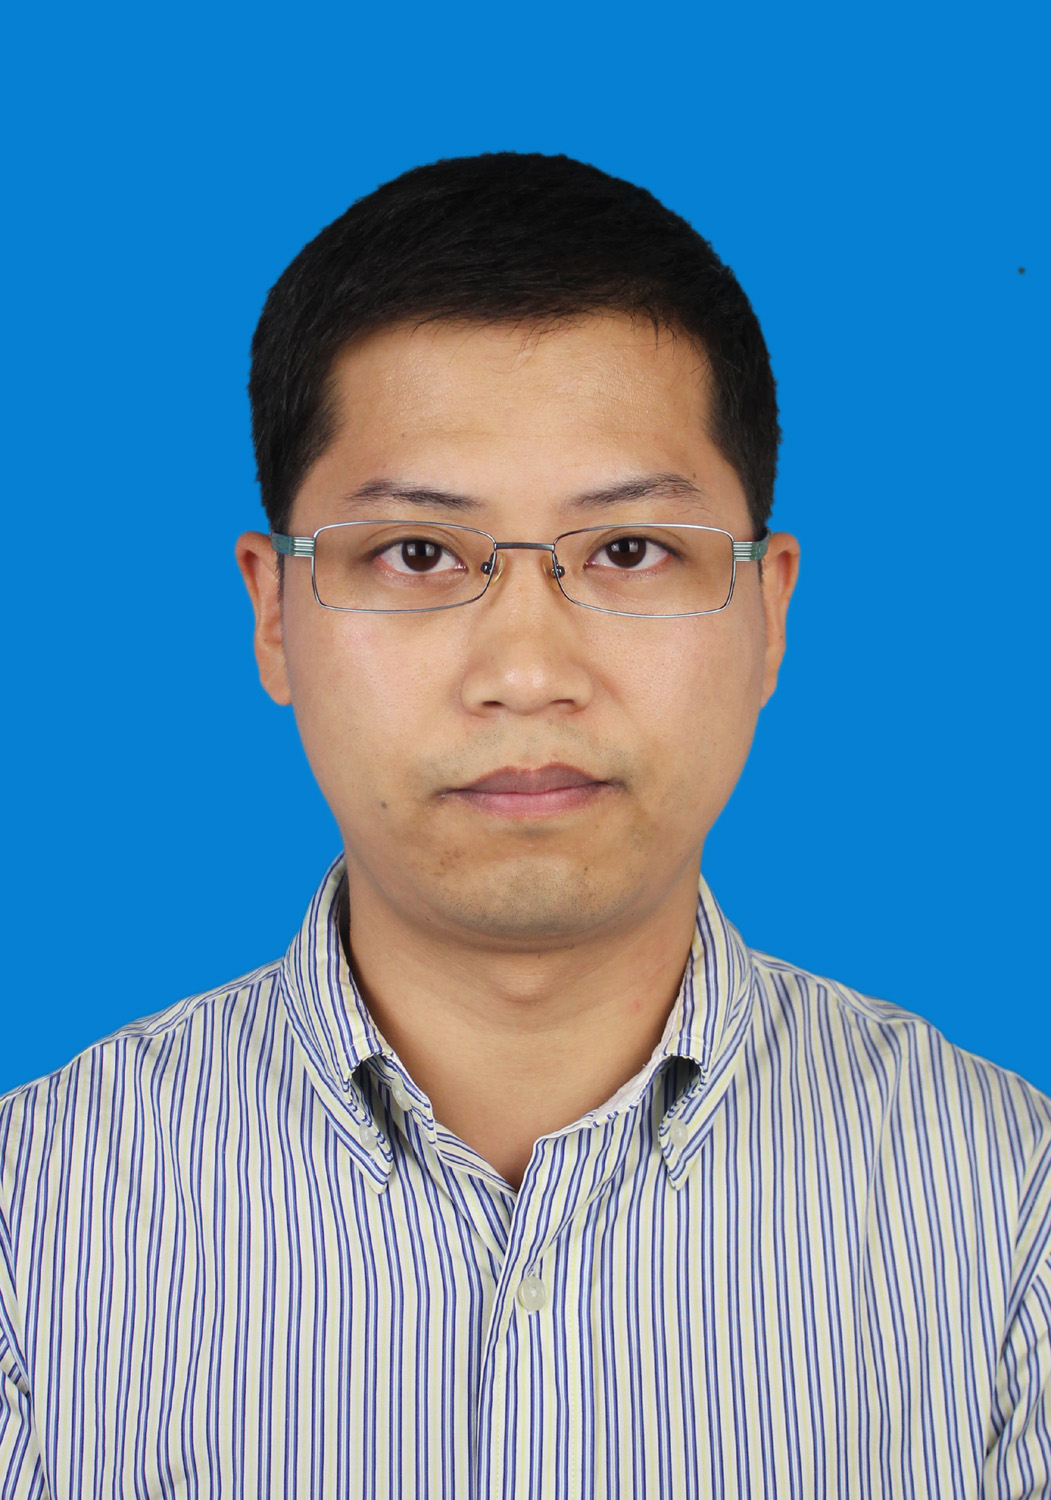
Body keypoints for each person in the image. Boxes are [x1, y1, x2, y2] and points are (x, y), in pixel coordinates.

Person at [1, 152, 1048, 1499]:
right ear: (273, 614)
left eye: (628, 552)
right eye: (419, 555)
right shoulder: (34, 1227)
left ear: (769, 608)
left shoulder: (1011, 1217)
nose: (528, 671)